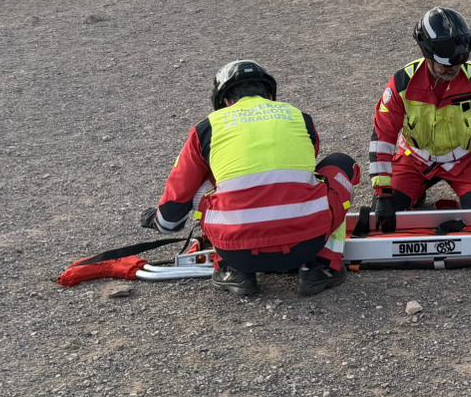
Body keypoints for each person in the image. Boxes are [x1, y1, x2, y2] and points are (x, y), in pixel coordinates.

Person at [141, 61, 359, 298]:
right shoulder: (299, 118)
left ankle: (231, 269)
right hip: (307, 244)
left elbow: (175, 206)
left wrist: (158, 221)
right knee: (339, 166)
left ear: (223, 100)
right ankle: (322, 267)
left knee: (208, 181)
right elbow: (305, 167)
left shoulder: (207, 128)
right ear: (268, 93)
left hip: (238, 252)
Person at [367, 8, 471, 232]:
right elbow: (382, 137)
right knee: (383, 221)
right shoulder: (403, 83)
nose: (454, 69)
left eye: (458, 64)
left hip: (467, 160)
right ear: (427, 54)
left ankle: (422, 194)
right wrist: (382, 193)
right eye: (446, 65)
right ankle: (412, 192)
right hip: (414, 160)